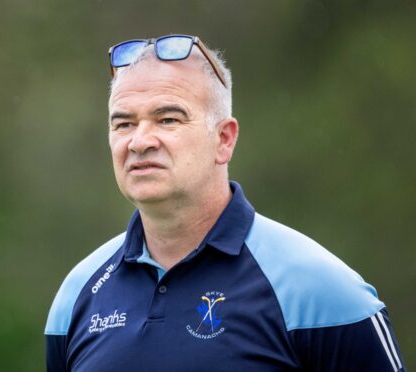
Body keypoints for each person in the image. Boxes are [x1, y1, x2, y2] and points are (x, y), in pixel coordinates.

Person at [44, 35, 405, 371]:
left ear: (224, 140)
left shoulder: (323, 291)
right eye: (123, 124)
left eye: (167, 119)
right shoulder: (77, 294)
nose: (139, 141)